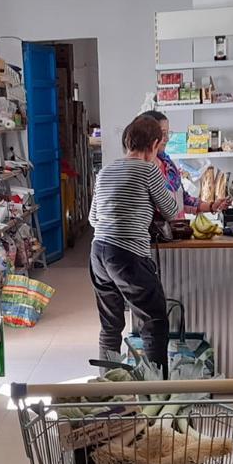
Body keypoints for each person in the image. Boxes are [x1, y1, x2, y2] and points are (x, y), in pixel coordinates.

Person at [88, 115, 180, 372]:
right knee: (154, 322)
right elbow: (171, 211)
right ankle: (155, 389)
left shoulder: (105, 171)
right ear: (154, 144)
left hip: (98, 253)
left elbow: (93, 219)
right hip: (127, 255)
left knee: (110, 326)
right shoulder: (149, 170)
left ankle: (108, 385)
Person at [138, 110, 230, 214]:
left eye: (168, 133)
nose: (167, 139)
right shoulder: (142, 170)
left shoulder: (168, 164)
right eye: (163, 134)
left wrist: (211, 206)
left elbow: (183, 199)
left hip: (177, 224)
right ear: (147, 135)